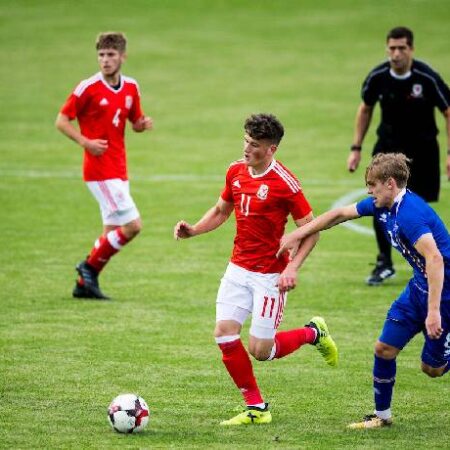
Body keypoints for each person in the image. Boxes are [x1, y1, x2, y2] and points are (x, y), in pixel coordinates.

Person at [174, 113, 338, 426]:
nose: (247, 149)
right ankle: (257, 408)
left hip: (270, 276)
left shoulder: (285, 184)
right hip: (238, 269)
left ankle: (313, 333)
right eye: (246, 141)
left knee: (261, 351)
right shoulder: (235, 170)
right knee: (224, 334)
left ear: (272, 149)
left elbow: (311, 230)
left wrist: (292, 268)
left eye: (255, 145)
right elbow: (222, 210)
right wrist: (193, 230)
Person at [278, 153, 450, 429]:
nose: (369, 191)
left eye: (373, 185)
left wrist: (433, 312)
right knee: (383, 349)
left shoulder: (410, 215)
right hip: (418, 288)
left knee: (432, 370)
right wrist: (296, 235)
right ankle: (381, 417)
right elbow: (338, 214)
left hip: (443, 295)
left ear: (390, 183)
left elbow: (435, 259)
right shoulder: (383, 206)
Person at [346, 26, 450, 286]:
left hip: (423, 153)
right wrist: (356, 148)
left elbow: (448, 111)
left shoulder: (427, 78)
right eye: (392, 48)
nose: (396, 53)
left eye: (402, 48)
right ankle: (384, 262)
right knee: (380, 203)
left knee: (416, 208)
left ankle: (423, 260)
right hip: (387, 151)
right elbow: (365, 108)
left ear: (411, 49)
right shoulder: (378, 77)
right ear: (387, 49)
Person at [56, 32, 153, 299]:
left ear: (122, 56)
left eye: (111, 55)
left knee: (111, 232)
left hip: (120, 168)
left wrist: (141, 126)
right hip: (99, 170)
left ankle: (84, 284)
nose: (105, 60)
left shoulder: (131, 87)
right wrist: (85, 142)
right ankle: (87, 266)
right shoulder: (88, 87)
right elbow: (62, 120)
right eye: (101, 55)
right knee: (133, 226)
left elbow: (134, 121)